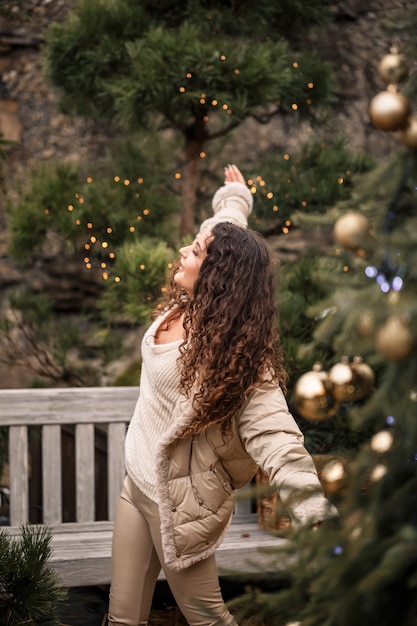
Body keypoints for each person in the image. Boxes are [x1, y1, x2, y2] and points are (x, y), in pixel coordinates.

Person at [107, 164, 337, 626]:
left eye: (193, 252)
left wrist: (315, 512)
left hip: (181, 509)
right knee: (121, 617)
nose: (182, 251)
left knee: (208, 619)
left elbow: (277, 438)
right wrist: (235, 195)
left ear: (216, 278)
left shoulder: (241, 362)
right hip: (136, 486)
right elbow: (224, 229)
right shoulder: (194, 300)